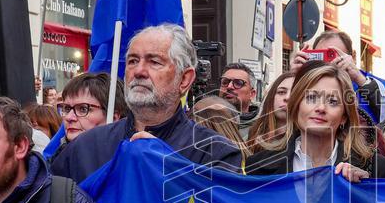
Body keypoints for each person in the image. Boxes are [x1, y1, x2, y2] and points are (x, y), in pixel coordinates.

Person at [51, 24, 242, 182]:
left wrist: (166, 164)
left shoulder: (214, 153)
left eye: (154, 62)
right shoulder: (86, 147)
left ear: (184, 80)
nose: (139, 71)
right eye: (133, 61)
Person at [246, 63, 385, 180]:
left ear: (344, 117)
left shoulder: (376, 168)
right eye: (311, 98)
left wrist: (365, 190)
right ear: (296, 107)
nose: (321, 108)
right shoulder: (257, 167)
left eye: (333, 101)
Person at [291, 30, 385, 125]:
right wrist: (294, 78)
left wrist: (360, 79)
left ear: (353, 57)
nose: (329, 63)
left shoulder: (368, 82)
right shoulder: (306, 82)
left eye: (333, 55)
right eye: (322, 56)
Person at [54, 72, 128, 159]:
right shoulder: (55, 162)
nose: (69, 117)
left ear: (113, 117)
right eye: (66, 108)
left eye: (83, 109)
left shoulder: (128, 163)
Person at [247, 71, 295, 153]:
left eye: (294, 93)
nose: (287, 97)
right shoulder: (253, 134)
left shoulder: (306, 142)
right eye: (281, 92)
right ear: (271, 97)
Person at [218, 62, 258, 139]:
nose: (229, 87)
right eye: (225, 82)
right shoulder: (204, 123)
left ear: (252, 94)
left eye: (238, 83)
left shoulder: (263, 129)